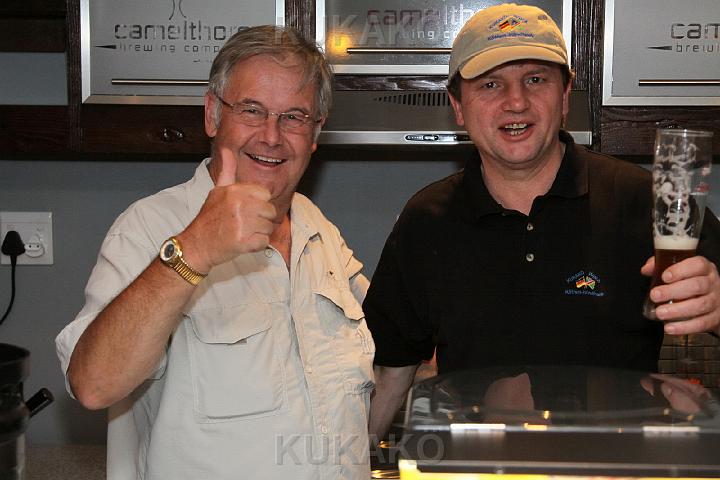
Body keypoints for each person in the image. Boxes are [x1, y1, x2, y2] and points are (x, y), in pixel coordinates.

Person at [363, 3, 720, 440]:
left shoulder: (644, 200)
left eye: (536, 79)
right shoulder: (426, 220)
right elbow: (390, 375)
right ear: (458, 105)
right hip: (477, 467)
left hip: (615, 465)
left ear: (565, 95)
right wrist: (352, 458)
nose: (516, 102)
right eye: (490, 84)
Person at [55, 26, 374, 480]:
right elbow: (93, 384)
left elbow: (380, 350)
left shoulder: (318, 229)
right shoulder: (150, 227)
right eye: (251, 110)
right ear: (212, 114)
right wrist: (195, 249)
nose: (271, 136)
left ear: (315, 132)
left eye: (294, 117)